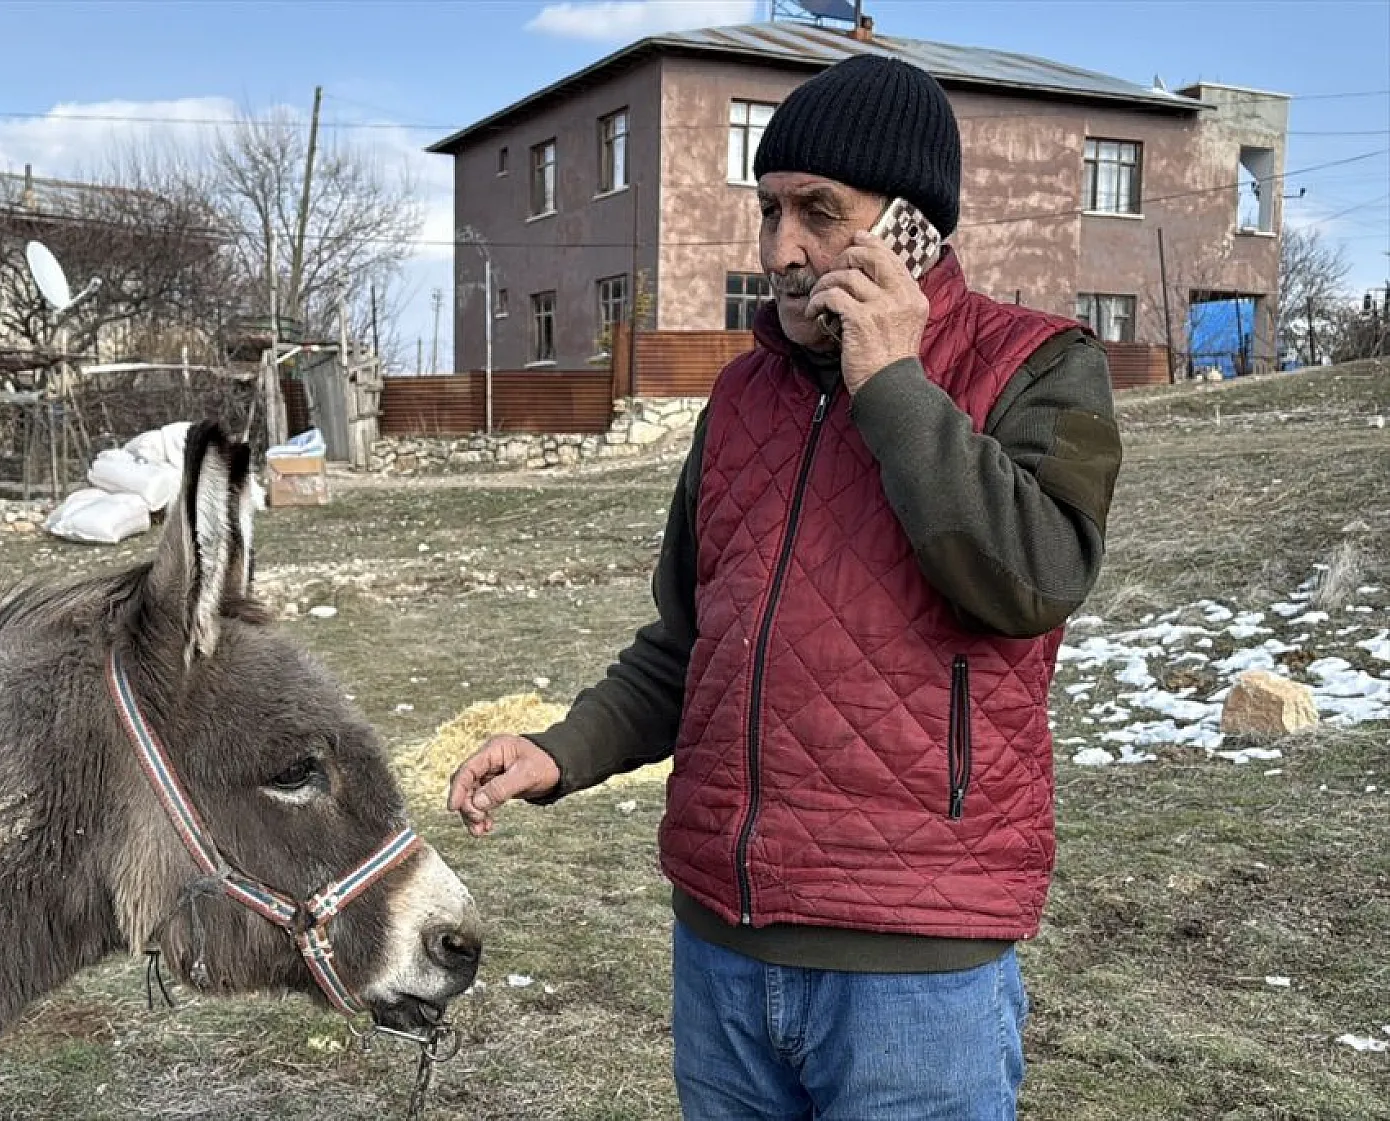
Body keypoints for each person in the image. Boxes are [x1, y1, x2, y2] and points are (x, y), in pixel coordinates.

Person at [448, 54, 1122, 1121]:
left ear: (912, 226)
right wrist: (561, 748)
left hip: (916, 970)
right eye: (768, 210)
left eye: (818, 211)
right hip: (721, 952)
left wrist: (891, 381)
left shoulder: (1036, 364)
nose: (781, 250)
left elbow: (1031, 580)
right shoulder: (742, 396)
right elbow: (691, 637)